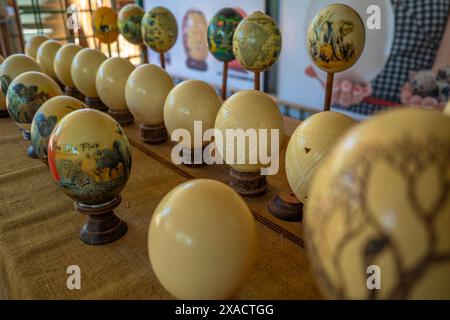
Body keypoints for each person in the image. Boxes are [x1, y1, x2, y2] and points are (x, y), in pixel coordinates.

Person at [307, 0, 450, 116]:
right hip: (350, 114)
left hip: (413, 119)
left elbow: (442, 71)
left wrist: (436, 81)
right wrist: (331, 77)